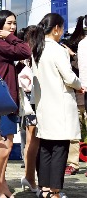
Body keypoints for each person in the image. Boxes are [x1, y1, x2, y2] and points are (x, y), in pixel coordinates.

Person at [31, 13, 84, 198]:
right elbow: (69, 77)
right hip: (60, 105)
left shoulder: (37, 48)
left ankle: (44, 189)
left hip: (44, 105)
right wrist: (80, 85)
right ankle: (55, 192)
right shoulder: (58, 49)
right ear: (56, 29)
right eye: (61, 29)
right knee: (60, 149)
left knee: (45, 148)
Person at [0, 10, 31, 197]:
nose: (12, 27)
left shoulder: (0, 44)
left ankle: (0, 185)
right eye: (8, 23)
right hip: (2, 101)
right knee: (3, 147)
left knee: (4, 147)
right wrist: (12, 37)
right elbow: (26, 50)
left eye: (14, 24)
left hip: (5, 100)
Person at [62, 15, 87, 176]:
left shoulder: (81, 44)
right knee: (74, 128)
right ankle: (72, 162)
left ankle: (72, 163)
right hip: (78, 93)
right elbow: (80, 66)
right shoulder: (82, 44)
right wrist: (73, 56)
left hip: (80, 91)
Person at [17, 25, 40, 192]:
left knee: (30, 141)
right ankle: (30, 178)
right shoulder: (33, 56)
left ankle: (29, 177)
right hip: (33, 102)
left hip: (25, 103)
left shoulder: (22, 55)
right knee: (33, 141)